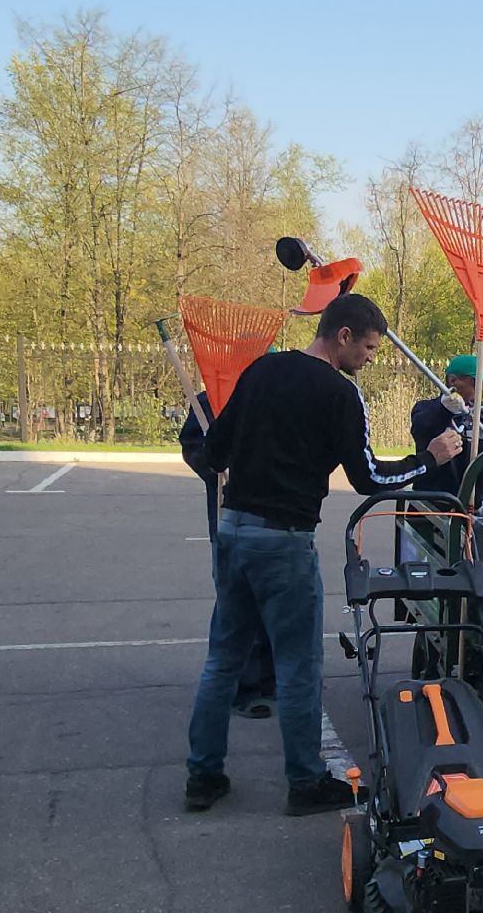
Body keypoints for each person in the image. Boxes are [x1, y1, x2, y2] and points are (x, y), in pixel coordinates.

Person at [185, 293, 465, 815]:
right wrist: (430, 458)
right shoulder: (339, 393)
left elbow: (212, 452)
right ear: (343, 336)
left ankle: (202, 775)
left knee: (223, 657)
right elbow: (369, 478)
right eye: (369, 348)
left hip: (233, 529)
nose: (369, 358)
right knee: (297, 664)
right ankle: (306, 781)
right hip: (284, 538)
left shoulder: (260, 371)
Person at [179, 388, 275, 720]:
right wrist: (215, 462)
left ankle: (272, 678)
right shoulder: (210, 399)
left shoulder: (280, 390)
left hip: (278, 515)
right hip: (228, 513)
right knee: (238, 603)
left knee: (276, 600)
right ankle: (244, 687)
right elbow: (193, 447)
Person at [409, 354, 483, 502]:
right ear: (453, 381)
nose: (480, 391)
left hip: (471, 507)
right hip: (431, 506)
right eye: (475, 384)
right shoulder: (427, 409)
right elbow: (422, 429)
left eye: (482, 385)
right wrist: (445, 409)